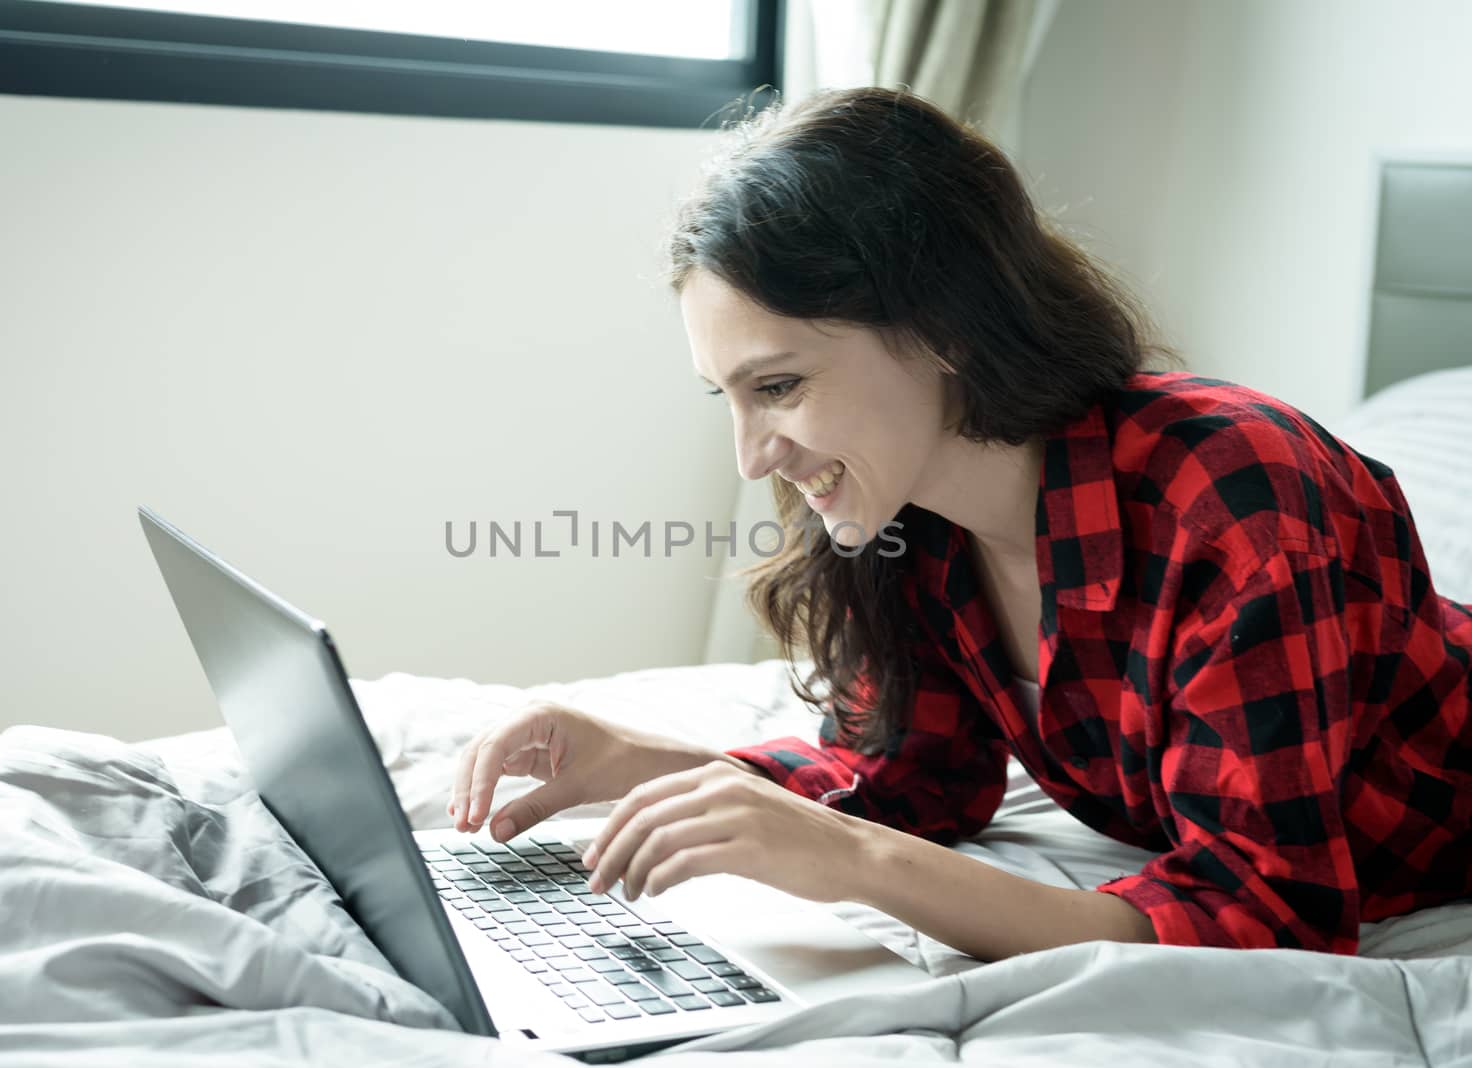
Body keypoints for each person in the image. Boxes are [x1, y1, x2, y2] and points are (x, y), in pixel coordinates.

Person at [446, 86, 1472, 959]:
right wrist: (629, 759)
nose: (753, 455)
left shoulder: (1239, 498)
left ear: (939, 329)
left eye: (781, 386)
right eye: (728, 397)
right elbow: (905, 780)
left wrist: (859, 867)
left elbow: (1268, 915)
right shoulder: (906, 519)